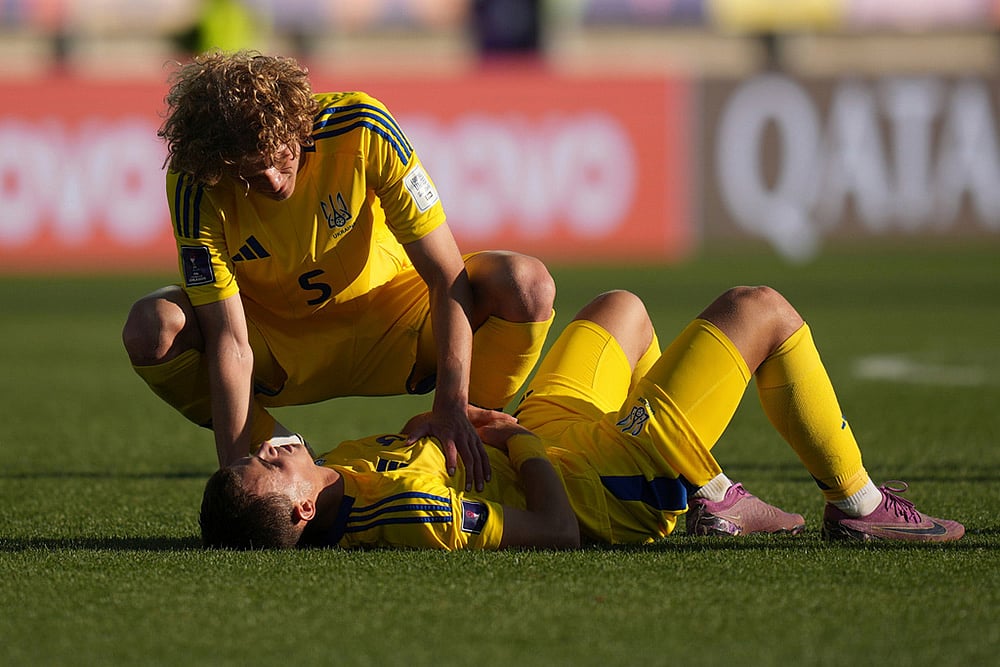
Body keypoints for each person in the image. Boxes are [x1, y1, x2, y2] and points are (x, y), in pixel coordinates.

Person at [199, 285, 965, 549]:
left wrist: (450, 419)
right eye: (269, 464)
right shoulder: (407, 514)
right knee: (758, 310)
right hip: (601, 480)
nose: (272, 448)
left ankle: (708, 488)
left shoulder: (341, 471)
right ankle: (859, 504)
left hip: (553, 436)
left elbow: (434, 444)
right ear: (301, 508)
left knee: (621, 310)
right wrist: (515, 434)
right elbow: (555, 531)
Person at [121, 51, 556, 491]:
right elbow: (231, 340)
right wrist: (236, 479)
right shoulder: (197, 180)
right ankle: (277, 461)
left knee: (526, 283)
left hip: (399, 322)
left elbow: (445, 274)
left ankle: (467, 438)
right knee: (151, 327)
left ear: (299, 124)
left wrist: (450, 403)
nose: (272, 180)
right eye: (249, 175)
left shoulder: (363, 127)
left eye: (280, 157)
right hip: (282, 350)